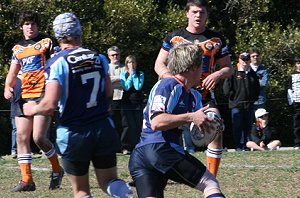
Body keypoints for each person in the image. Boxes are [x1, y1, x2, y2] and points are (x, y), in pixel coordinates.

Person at [23, 13, 134, 198]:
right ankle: (126, 195)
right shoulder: (99, 58)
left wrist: (32, 108)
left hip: (74, 132)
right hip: (103, 128)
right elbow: (107, 94)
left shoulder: (57, 62)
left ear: (58, 35)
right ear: (79, 32)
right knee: (110, 181)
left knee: (81, 191)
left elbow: (50, 105)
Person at [129, 42, 225, 198]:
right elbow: (157, 122)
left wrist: (211, 126)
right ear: (193, 67)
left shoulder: (194, 96)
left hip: (145, 155)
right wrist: (191, 116)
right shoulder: (168, 85)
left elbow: (197, 130)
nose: (203, 71)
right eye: (201, 65)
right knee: (210, 183)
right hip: (160, 148)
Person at [154, 0, 232, 176]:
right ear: (187, 13)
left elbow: (228, 68)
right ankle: (151, 169)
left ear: (207, 15)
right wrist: (171, 80)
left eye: (202, 12)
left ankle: (212, 177)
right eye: (195, 12)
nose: (198, 16)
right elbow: (159, 64)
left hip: (203, 94)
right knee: (163, 130)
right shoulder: (174, 38)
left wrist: (217, 74)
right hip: (178, 94)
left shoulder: (216, 39)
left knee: (215, 127)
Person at [4, 10, 64, 192]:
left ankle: (56, 169)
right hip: (22, 94)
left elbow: (59, 63)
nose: (30, 27)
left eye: (33, 24)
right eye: (26, 24)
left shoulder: (47, 42)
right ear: (21, 27)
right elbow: (13, 71)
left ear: (38, 26)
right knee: (22, 136)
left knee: (38, 137)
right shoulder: (17, 48)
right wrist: (7, 86)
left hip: (42, 93)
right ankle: (27, 181)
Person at [223, 52, 260, 150]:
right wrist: (233, 98)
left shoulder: (252, 74)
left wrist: (253, 99)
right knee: (237, 127)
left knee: (248, 126)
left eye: (247, 60)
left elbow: (257, 88)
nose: (245, 62)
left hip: (249, 105)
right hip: (236, 105)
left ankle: (247, 146)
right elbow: (226, 89)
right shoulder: (233, 72)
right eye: (243, 60)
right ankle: (238, 146)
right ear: (239, 60)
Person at [120, 55, 145, 154]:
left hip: (138, 103)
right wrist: (130, 75)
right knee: (127, 125)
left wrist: (134, 74)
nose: (131, 64)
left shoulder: (140, 73)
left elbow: (138, 86)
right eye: (129, 62)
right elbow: (126, 87)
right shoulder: (123, 74)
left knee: (138, 125)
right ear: (126, 64)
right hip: (126, 102)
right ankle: (125, 147)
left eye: (133, 62)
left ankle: (138, 145)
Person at [107, 46, 127, 152]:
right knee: (113, 123)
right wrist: (119, 78)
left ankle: (123, 146)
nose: (115, 56)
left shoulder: (124, 67)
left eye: (117, 54)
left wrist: (114, 80)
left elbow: (127, 79)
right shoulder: (106, 67)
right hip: (112, 98)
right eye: (113, 55)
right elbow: (107, 81)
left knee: (124, 124)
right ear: (109, 56)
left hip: (123, 97)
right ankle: (112, 146)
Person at [287, 55, 300, 150]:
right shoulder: (292, 76)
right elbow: (289, 89)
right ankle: (297, 143)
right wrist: (291, 101)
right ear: (296, 64)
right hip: (297, 103)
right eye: (298, 63)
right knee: (297, 124)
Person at [10, 74, 22, 159]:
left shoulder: (27, 77)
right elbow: (9, 96)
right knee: (15, 129)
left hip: (25, 108)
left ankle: (23, 150)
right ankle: (14, 150)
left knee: (25, 131)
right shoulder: (13, 80)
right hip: (15, 108)